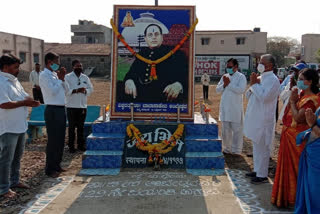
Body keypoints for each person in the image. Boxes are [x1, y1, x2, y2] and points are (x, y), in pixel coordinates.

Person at [271, 68, 320, 208]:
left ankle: (296, 200)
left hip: (298, 141)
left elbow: (298, 118)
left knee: (297, 171)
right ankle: (286, 198)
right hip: (290, 137)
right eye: (298, 78)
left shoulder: (311, 100)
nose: (298, 81)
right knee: (288, 170)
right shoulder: (303, 95)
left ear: (310, 82)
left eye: (301, 79)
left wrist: (292, 102)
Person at [0, 54, 40, 198]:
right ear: (5, 67)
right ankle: (3, 188)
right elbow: (4, 104)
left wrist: (31, 101)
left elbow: (24, 96)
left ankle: (14, 181)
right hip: (8, 126)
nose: (18, 70)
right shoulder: (1, 82)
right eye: (15, 67)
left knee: (17, 157)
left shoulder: (14, 81)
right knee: (6, 158)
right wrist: (25, 103)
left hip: (20, 125)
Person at [123, 24, 188, 103]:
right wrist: (129, 81)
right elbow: (131, 73)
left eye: (156, 34)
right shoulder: (142, 54)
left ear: (162, 37)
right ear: (145, 38)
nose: (153, 37)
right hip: (141, 99)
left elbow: (185, 75)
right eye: (150, 35)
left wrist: (179, 85)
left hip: (165, 101)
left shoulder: (175, 53)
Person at [243, 54, 280, 184]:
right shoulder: (260, 77)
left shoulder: (273, 80)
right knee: (256, 146)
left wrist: (255, 85)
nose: (259, 64)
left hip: (264, 119)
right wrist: (253, 84)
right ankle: (257, 170)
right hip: (255, 117)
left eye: (262, 62)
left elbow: (265, 97)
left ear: (269, 65)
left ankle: (262, 175)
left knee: (263, 147)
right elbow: (248, 95)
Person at [39, 52, 67, 178]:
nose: (58, 64)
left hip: (61, 108)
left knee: (60, 139)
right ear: (49, 62)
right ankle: (50, 169)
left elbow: (66, 90)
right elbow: (53, 92)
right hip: (52, 109)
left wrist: (62, 79)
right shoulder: (44, 75)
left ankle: (57, 165)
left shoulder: (55, 75)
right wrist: (60, 80)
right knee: (53, 140)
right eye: (56, 61)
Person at [216, 58, 247, 155]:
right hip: (225, 107)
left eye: (230, 67)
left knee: (237, 130)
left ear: (236, 67)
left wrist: (228, 84)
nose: (228, 69)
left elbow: (241, 90)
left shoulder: (241, 77)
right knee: (225, 130)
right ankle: (226, 148)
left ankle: (236, 150)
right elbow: (217, 90)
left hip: (235, 108)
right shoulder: (224, 76)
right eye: (227, 67)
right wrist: (224, 85)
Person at [294, 107, 320, 213]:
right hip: (313, 154)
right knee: (310, 188)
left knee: (315, 191)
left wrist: (312, 125)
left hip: (317, 160)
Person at [65, 60, 93, 153]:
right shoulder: (68, 77)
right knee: (72, 128)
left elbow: (91, 88)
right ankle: (71, 147)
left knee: (81, 128)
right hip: (71, 106)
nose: (79, 68)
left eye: (80, 66)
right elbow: (66, 91)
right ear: (73, 67)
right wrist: (77, 90)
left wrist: (85, 91)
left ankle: (81, 145)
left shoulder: (85, 77)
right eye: (77, 66)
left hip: (82, 106)